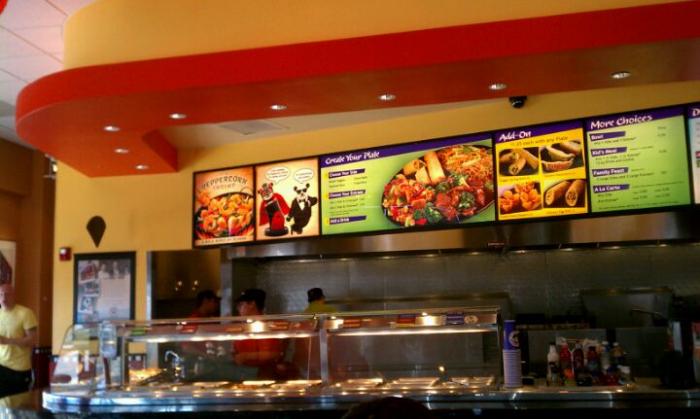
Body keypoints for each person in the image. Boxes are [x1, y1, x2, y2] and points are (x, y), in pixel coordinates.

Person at [232, 288, 293, 379]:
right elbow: (235, 352)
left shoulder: (271, 326)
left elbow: (276, 354)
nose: (238, 308)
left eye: (241, 304)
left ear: (252, 304)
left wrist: (245, 356)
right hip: (244, 375)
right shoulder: (241, 327)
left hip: (267, 376)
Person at [0, 283, 38, 398]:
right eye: (1, 294)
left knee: (18, 405)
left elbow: (32, 341)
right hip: (2, 365)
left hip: (19, 370)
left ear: (13, 296)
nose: (4, 298)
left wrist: (7, 341)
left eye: (7, 294)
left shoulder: (25, 313)